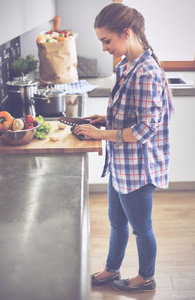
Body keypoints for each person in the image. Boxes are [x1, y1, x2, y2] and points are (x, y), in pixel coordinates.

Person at [74, 2, 173, 293]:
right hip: (121, 162)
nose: (104, 47)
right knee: (116, 222)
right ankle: (111, 268)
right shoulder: (127, 65)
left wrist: (100, 133)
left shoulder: (146, 73)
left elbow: (144, 130)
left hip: (138, 168)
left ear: (126, 33)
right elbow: (129, 114)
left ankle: (146, 277)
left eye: (107, 40)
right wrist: (103, 119)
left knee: (141, 228)